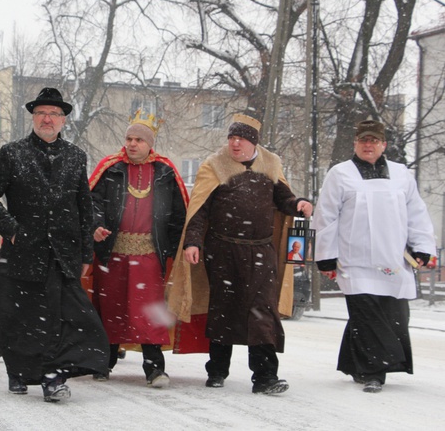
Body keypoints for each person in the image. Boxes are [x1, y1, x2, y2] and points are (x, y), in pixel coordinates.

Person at [0, 87, 110, 403]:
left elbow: (83, 206)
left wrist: (86, 252)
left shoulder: (75, 156)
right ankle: (19, 372)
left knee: (64, 319)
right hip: (22, 250)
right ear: (33, 118)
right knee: (16, 317)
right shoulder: (13, 153)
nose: (47, 119)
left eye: (53, 114)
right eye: (41, 113)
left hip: (61, 254)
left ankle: (53, 377)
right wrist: (10, 229)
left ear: (63, 120)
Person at [167, 113, 313, 395]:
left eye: (241, 139)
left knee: (262, 313)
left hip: (261, 251)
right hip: (223, 250)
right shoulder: (215, 165)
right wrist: (192, 242)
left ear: (253, 142)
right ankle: (218, 370)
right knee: (224, 309)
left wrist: (299, 204)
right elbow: (200, 211)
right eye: (232, 137)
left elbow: (284, 198)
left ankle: (265, 377)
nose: (235, 143)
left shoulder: (270, 164)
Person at [312, 119, 436, 394]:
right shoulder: (340, 173)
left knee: (395, 316)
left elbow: (417, 213)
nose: (368, 145)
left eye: (374, 141)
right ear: (355, 143)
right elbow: (327, 217)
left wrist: (423, 246)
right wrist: (326, 255)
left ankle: (355, 363)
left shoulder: (402, 174)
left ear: (384, 145)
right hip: (354, 261)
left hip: (393, 259)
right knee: (367, 314)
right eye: (363, 140)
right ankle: (374, 372)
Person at [87, 110, 188, 387]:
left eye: (138, 140)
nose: (132, 144)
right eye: (129, 139)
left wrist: (177, 249)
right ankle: (102, 364)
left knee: (149, 311)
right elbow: (90, 202)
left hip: (149, 255)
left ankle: (154, 369)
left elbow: (179, 215)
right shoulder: (110, 168)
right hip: (113, 252)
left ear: (149, 143)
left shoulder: (166, 172)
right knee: (109, 307)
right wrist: (95, 225)